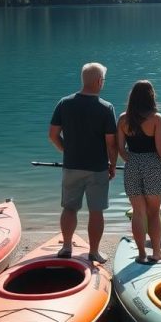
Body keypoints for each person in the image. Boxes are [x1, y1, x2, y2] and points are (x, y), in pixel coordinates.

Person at [49, 62, 118, 263]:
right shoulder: (106, 108)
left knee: (69, 208)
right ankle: (94, 252)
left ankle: (67, 247)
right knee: (96, 210)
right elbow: (111, 144)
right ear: (99, 81)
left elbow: (53, 135)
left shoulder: (64, 103)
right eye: (103, 80)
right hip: (97, 168)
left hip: (71, 165)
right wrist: (112, 164)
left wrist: (66, 150)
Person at [117, 80, 161, 263]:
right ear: (151, 97)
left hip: (132, 165)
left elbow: (121, 149)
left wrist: (134, 161)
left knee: (138, 212)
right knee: (154, 212)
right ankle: (156, 253)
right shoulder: (156, 118)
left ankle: (142, 254)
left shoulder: (122, 119)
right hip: (154, 165)